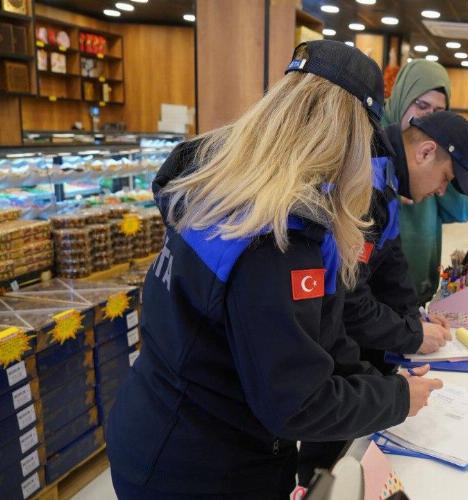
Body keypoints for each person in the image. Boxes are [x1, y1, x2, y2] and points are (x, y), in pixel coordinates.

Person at [105, 41, 443, 499]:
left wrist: (378, 384)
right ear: (347, 135)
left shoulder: (226, 186)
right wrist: (397, 400)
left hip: (159, 427)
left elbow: (315, 332)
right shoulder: (276, 236)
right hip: (199, 468)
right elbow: (296, 401)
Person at [298, 111, 468, 483]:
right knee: (331, 467)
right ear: (425, 152)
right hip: (321, 342)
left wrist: (415, 318)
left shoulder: (388, 178)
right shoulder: (367, 177)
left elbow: (391, 262)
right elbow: (348, 299)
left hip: (343, 343)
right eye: (445, 178)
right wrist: (411, 336)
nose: (442, 191)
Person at [383, 60, 468, 305]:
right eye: (422, 105)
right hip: (380, 299)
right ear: (403, 97)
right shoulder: (372, 141)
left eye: (439, 112)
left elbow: (464, 208)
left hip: (419, 290)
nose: (428, 117)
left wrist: (440, 170)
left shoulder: (438, 152)